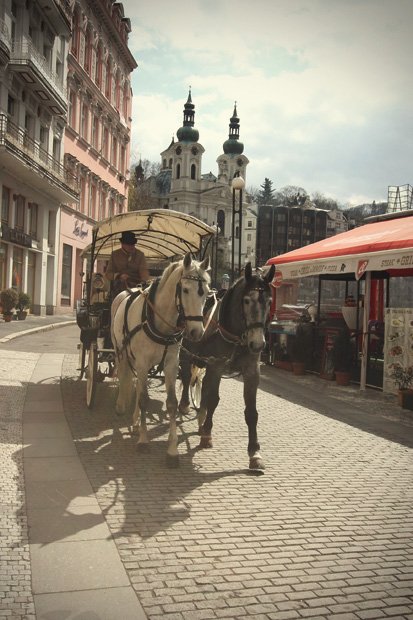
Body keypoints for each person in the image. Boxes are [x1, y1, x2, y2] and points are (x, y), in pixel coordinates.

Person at [105, 231, 149, 296]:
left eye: (133, 244)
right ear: (122, 244)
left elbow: (144, 272)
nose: (132, 246)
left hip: (136, 287)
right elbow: (108, 274)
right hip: (118, 288)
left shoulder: (140, 255)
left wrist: (142, 282)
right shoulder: (114, 255)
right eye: (129, 244)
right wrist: (119, 276)